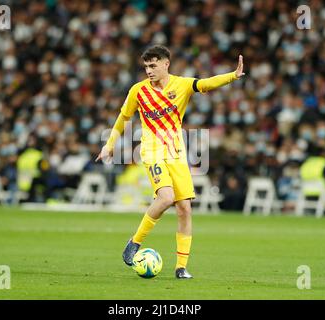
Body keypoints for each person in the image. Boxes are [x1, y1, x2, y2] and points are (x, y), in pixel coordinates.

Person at [96, 45, 244, 279]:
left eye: (153, 65)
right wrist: (110, 144)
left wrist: (232, 77)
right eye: (146, 66)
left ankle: (181, 267)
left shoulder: (182, 85)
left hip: (176, 152)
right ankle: (134, 242)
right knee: (166, 197)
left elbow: (205, 84)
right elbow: (123, 117)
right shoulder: (138, 91)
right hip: (152, 151)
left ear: (166, 64)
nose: (149, 70)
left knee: (185, 208)